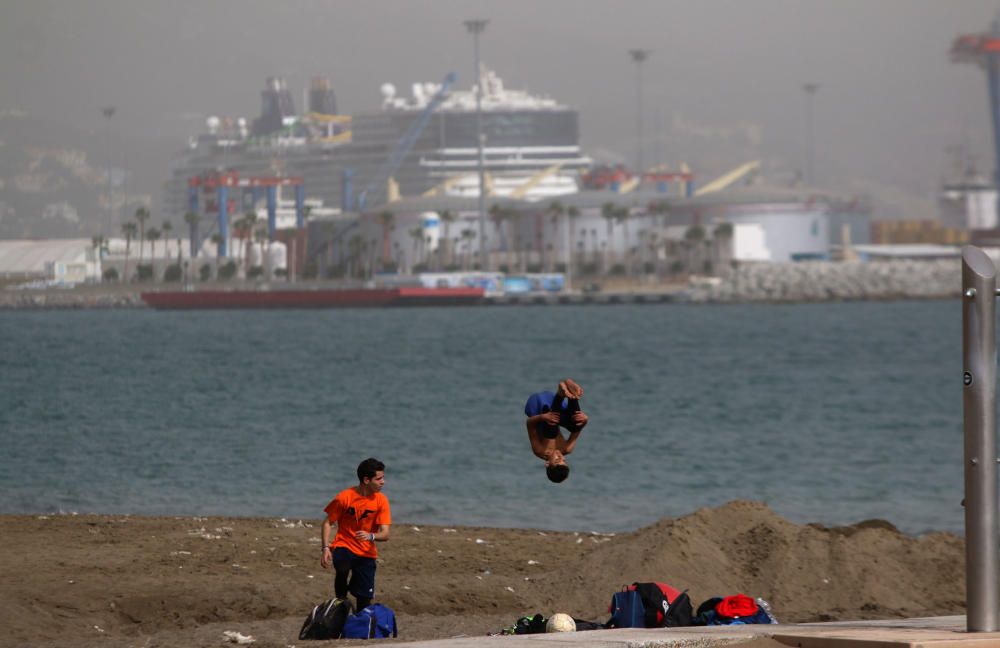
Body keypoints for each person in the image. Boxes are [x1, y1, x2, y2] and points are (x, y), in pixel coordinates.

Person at [319, 457, 391, 611]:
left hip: (367, 552)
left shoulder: (381, 500)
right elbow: (327, 523)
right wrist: (325, 548)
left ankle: (358, 624)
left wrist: (371, 536)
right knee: (342, 567)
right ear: (366, 480)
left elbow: (385, 534)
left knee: (364, 602)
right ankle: (341, 600)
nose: (383, 482)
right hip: (344, 544)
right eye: (379, 479)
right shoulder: (344, 497)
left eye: (383, 478)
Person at [524, 379, 588, 483]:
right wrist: (585, 420)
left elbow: (529, 424)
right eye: (564, 460)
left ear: (547, 464)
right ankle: (572, 396)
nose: (561, 456)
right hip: (554, 408)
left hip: (538, 407)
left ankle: (560, 394)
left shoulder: (540, 450)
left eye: (557, 459)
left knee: (551, 433)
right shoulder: (567, 449)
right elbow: (578, 429)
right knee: (576, 425)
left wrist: (542, 417)